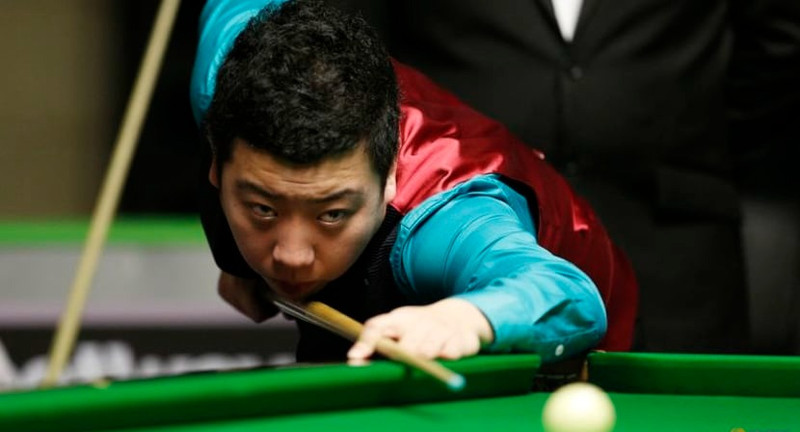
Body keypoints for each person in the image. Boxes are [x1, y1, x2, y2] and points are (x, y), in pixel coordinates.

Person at [323, 0, 798, 354]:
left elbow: (777, 43)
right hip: (462, 217)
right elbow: (355, 40)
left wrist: (681, 140)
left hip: (674, 244)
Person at [189, 0, 638, 363]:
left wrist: (465, 318)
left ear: (390, 179)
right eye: (263, 209)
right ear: (218, 161)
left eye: (331, 215)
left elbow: (571, 296)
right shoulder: (230, 72)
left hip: (558, 344)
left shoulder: (444, 216)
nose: (291, 255)